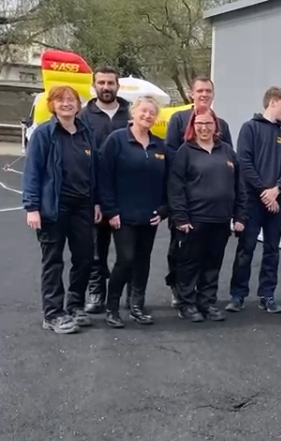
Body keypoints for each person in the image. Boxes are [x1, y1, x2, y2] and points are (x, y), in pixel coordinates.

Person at [22, 85, 102, 334]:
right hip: (53, 207)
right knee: (53, 261)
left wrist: (97, 201)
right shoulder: (44, 134)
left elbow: (94, 172)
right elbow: (32, 172)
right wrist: (32, 207)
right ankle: (53, 313)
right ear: (52, 105)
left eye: (71, 100)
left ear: (78, 105)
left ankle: (75, 306)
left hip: (82, 206)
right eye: (61, 100)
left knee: (84, 258)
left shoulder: (86, 133)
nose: (67, 104)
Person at [168, 109, 246, 323]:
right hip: (193, 220)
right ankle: (187, 304)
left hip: (220, 220)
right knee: (189, 264)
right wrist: (180, 217)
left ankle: (207, 302)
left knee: (213, 264)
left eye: (208, 123)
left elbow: (240, 187)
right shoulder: (185, 151)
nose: (204, 127)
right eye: (199, 123)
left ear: (216, 126)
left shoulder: (228, 152)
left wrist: (240, 216)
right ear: (193, 126)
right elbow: (176, 187)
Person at [98, 97, 169, 328]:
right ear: (133, 112)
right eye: (143, 111)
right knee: (125, 259)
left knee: (143, 261)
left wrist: (164, 210)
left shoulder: (160, 146)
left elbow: (170, 182)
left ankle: (137, 305)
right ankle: (112, 308)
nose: (148, 115)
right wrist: (111, 210)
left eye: (152, 113)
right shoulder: (116, 140)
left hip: (149, 216)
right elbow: (104, 177)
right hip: (122, 216)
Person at [164, 76, 233, 309]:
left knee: (211, 259)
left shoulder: (221, 125)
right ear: (192, 93)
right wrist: (179, 210)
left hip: (217, 215)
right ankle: (181, 294)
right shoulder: (178, 120)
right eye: (200, 90)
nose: (204, 94)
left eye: (208, 91)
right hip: (189, 207)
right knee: (182, 255)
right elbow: (172, 161)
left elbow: (229, 163)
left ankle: (205, 300)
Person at [226, 87, 281, 314]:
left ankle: (268, 295)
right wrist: (264, 191)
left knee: (272, 250)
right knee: (246, 248)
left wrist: (277, 189)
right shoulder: (250, 129)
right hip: (252, 202)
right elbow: (244, 163)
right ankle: (238, 295)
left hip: (277, 202)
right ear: (273, 102)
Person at [78, 66, 131, 315]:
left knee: (129, 251)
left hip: (126, 197)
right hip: (95, 196)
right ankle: (96, 292)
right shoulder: (83, 116)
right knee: (95, 250)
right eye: (101, 83)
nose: (106, 87)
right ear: (94, 85)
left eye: (110, 83)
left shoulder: (130, 113)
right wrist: (95, 199)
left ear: (118, 86)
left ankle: (132, 295)